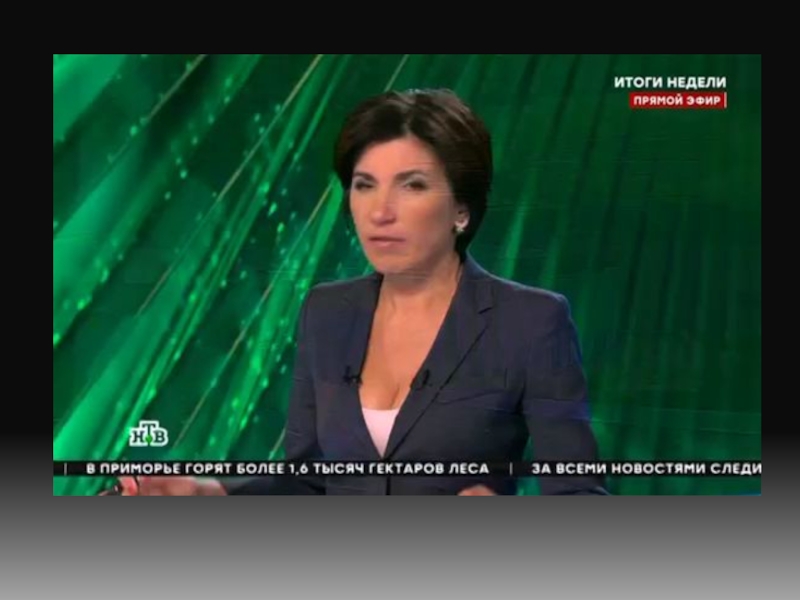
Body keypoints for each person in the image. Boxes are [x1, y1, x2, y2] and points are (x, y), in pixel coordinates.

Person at [113, 88, 608, 496]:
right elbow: (307, 480)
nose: (380, 212)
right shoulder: (327, 311)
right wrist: (208, 494)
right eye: (364, 185)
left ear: (462, 208)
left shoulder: (530, 322)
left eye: (412, 186)